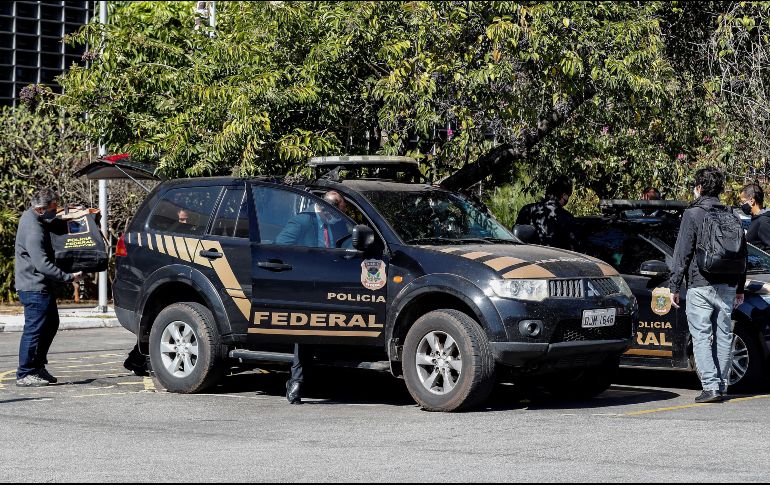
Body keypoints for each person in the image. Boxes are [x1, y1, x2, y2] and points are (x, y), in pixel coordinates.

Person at [669, 167, 747, 403]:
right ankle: (722, 386)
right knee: (724, 334)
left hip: (700, 283)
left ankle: (710, 387)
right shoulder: (732, 215)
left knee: (702, 336)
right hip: (728, 284)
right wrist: (740, 287)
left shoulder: (692, 214)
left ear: (699, 188)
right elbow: (741, 254)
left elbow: (682, 253)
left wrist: (674, 285)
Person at [283, 190, 350, 404]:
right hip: (308, 284)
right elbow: (279, 247)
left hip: (334, 283)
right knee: (306, 331)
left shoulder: (337, 223)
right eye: (336, 212)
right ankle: (296, 382)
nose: (339, 217)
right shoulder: (303, 222)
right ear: (324, 207)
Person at [14, 188, 83, 387]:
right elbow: (42, 264)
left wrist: (75, 217)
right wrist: (68, 277)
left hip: (38, 285)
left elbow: (54, 223)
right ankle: (25, 373)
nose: (56, 212)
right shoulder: (33, 230)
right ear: (42, 209)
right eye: (54, 209)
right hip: (33, 286)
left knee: (51, 324)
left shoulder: (34, 217)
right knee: (34, 329)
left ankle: (37, 366)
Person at [514, 175, 577, 250]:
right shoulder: (567, 218)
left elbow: (516, 240)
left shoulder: (527, 210)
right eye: (568, 195)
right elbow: (573, 249)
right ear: (564, 195)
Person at [275, 190, 350, 248]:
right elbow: (279, 246)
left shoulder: (337, 225)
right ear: (325, 210)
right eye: (337, 215)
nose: (339, 219)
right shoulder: (301, 222)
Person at [740, 183, 770, 251]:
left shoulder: (763, 221)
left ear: (752, 200)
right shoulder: (757, 219)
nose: (741, 205)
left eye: (743, 202)